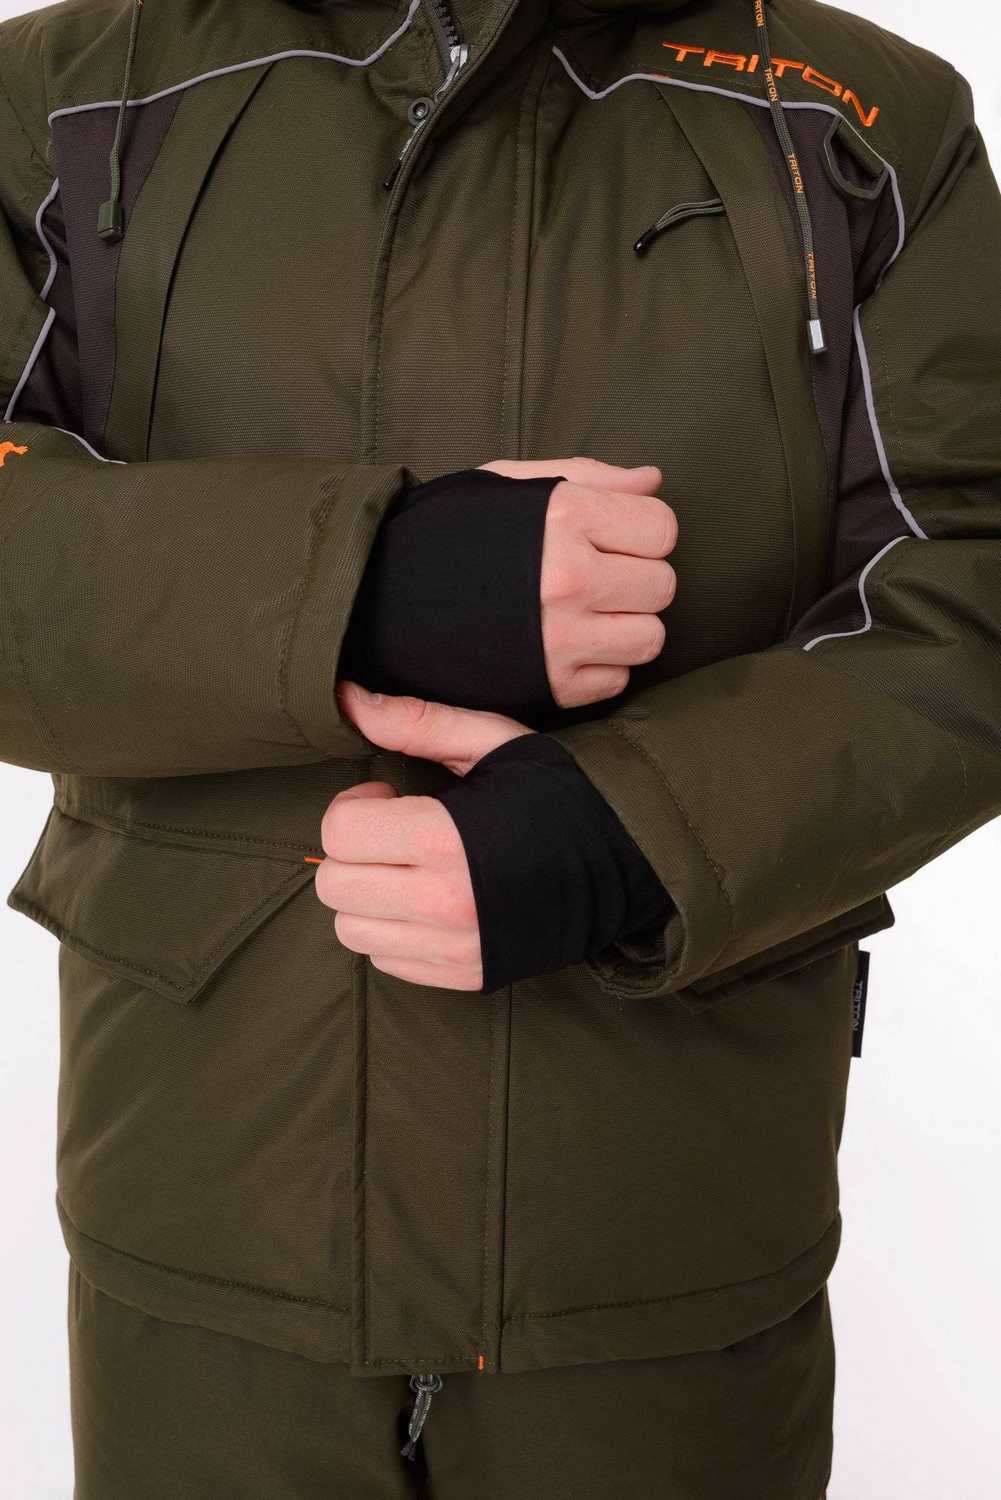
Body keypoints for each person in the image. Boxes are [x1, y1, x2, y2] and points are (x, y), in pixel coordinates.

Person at [1, 0, 998, 1493]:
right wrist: (366, 583)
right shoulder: (68, 91)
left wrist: (634, 833)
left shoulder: (860, 115)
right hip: (208, 1232)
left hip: (661, 1239)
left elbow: (968, 579)